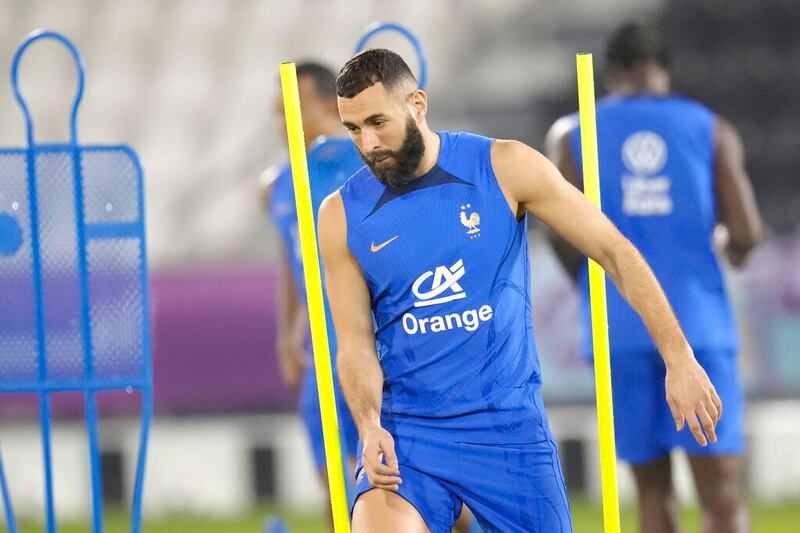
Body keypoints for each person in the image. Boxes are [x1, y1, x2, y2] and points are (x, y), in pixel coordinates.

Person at [317, 48, 722, 533]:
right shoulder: (340, 215)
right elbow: (355, 341)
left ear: (418, 104)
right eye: (354, 129)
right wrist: (368, 425)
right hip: (409, 436)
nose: (368, 142)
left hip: (508, 432)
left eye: (378, 122)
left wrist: (679, 357)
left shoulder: (505, 165)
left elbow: (615, 251)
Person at [545, 22, 762, 533]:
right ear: (665, 68)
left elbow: (558, 234)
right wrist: (729, 251)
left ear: (612, 71)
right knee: (722, 496)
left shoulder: (572, 133)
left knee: (651, 492)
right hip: (698, 326)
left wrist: (591, 281)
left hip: (617, 327)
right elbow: (747, 233)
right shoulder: (710, 129)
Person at [263, 61, 361, 523]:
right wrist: (287, 335)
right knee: (333, 488)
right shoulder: (276, 186)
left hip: (376, 346)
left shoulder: (365, 164)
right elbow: (290, 261)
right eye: (278, 108)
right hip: (319, 355)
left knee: (394, 483)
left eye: (291, 105)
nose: (279, 116)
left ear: (329, 104)